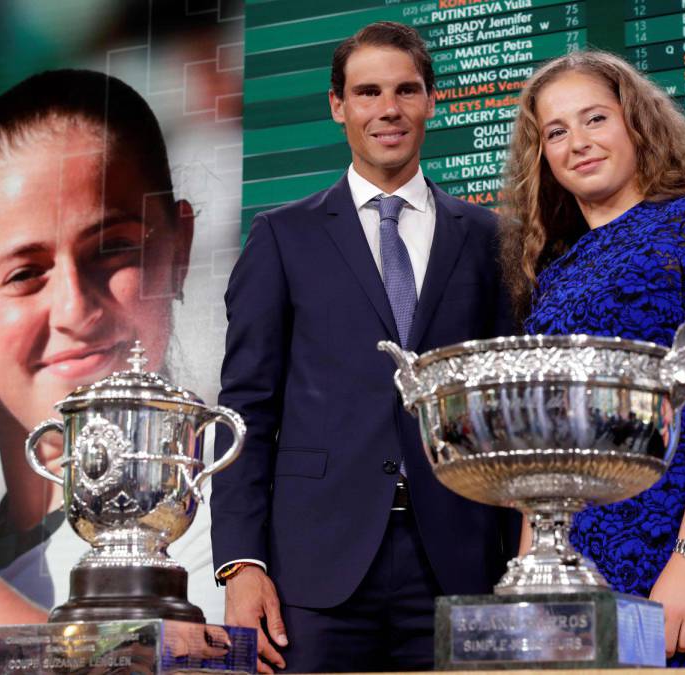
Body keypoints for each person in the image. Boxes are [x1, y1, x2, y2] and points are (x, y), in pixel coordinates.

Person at [0, 69, 220, 674]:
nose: (75, 309)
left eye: (113, 247)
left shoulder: (260, 528)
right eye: (25, 274)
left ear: (178, 251)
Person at [212, 21, 515, 673]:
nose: (388, 109)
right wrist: (241, 563)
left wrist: (521, 562)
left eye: (406, 90)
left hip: (460, 561)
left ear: (432, 101)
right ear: (337, 105)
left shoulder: (489, 238)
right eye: (368, 91)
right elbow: (245, 410)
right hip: (314, 572)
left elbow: (504, 414)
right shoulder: (281, 237)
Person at [499, 50, 685, 667]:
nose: (579, 143)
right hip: (576, 561)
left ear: (635, 123)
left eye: (595, 118)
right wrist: (532, 584)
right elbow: (546, 449)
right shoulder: (554, 271)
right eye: (557, 132)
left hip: (675, 546)